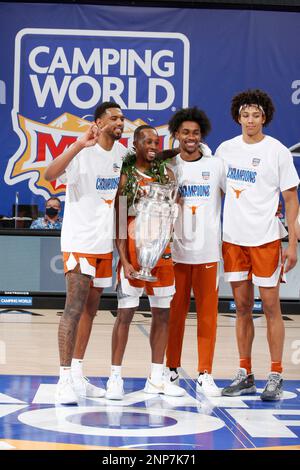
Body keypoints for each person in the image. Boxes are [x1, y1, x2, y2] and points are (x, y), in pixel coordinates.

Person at [216, 89, 299, 401]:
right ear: (238, 116)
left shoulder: (277, 151)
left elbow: (291, 200)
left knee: (271, 307)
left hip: (265, 239)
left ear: (265, 118)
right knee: (241, 308)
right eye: (246, 114)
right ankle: (245, 373)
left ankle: (276, 374)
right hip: (233, 241)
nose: (250, 120)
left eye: (256, 115)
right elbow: (218, 194)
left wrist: (292, 243)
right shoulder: (224, 150)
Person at [44, 101, 127, 405]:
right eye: (114, 118)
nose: (120, 122)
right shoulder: (82, 152)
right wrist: (79, 144)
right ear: (98, 122)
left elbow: (122, 198)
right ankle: (63, 379)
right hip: (79, 242)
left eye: (122, 118)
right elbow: (50, 174)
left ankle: (78, 374)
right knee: (73, 309)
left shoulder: (122, 155)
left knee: (91, 311)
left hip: (104, 245)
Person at [105, 125, 185, 400]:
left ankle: (156, 376)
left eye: (156, 141)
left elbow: (176, 208)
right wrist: (124, 260)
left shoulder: (168, 174)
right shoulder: (126, 177)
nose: (152, 145)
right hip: (134, 253)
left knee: (162, 314)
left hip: (161, 254)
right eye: (147, 141)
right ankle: (115, 377)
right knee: (125, 314)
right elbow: (118, 221)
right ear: (135, 145)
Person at [164, 107, 226, 397]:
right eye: (185, 132)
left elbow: (233, 198)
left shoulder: (216, 166)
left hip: (207, 254)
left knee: (207, 316)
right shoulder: (166, 166)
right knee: (173, 315)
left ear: (202, 136)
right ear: (176, 134)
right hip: (175, 253)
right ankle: (171, 369)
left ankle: (205, 373)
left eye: (196, 133)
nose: (191, 137)